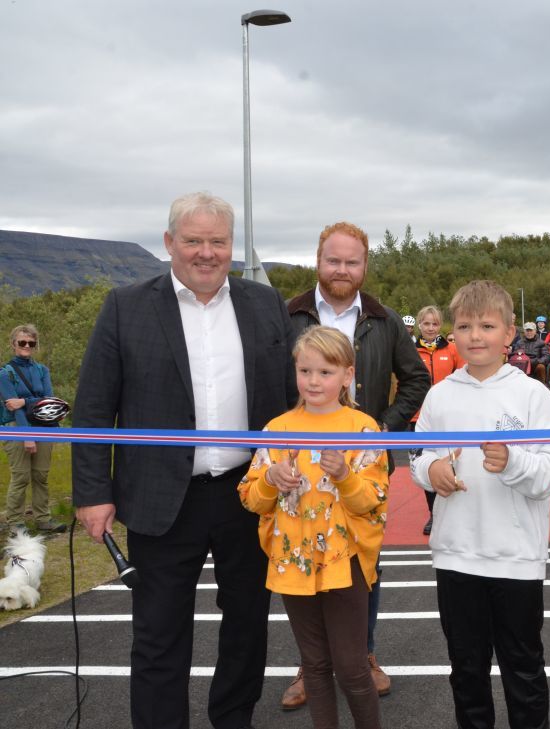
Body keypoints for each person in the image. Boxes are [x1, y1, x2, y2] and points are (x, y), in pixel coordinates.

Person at [72, 192, 297, 729]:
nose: (206, 252)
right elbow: (94, 407)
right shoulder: (126, 306)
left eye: (218, 241)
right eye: (193, 240)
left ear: (232, 246)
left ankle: (233, 718)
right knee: (158, 633)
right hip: (161, 499)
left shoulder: (265, 303)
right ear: (169, 242)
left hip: (249, 494)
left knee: (247, 625)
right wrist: (93, 493)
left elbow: (290, 399)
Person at [283, 221, 431, 705]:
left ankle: (363, 654)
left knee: (364, 561)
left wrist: (384, 426)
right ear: (318, 261)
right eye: (334, 260)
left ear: (365, 265)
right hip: (300, 469)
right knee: (303, 558)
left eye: (352, 262)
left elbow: (417, 379)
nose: (342, 269)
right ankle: (310, 665)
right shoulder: (287, 315)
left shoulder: (384, 320)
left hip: (362, 467)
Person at [410, 279, 550, 729]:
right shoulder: (439, 394)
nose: (475, 336)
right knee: (466, 671)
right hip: (456, 555)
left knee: (524, 670)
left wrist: (514, 462)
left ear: (509, 332)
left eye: (486, 326)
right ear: (452, 333)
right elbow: (419, 455)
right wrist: (431, 471)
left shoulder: (533, 395)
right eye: (464, 326)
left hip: (516, 558)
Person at [239, 326, 388, 729]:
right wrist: (270, 480)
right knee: (315, 664)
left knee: (352, 666)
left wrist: (344, 476)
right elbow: (250, 498)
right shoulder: (276, 429)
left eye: (325, 372)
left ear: (347, 375)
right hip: (292, 560)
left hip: (345, 561)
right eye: (305, 371)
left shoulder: (363, 429)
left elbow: (372, 501)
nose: (313, 381)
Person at [1, 324, 66, 534]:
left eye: (31, 342)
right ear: (13, 344)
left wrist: (24, 401)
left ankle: (43, 519)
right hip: (16, 428)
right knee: (20, 476)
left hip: (43, 426)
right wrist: (26, 436)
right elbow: (14, 409)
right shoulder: (5, 374)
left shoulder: (42, 370)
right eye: (22, 342)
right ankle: (15, 522)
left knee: (41, 475)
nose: (27, 346)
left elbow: (49, 401)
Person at [413, 305, 464, 536]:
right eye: (426, 323)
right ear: (419, 325)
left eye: (435, 323)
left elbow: (463, 377)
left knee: (451, 462)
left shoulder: (452, 349)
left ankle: (455, 511)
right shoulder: (410, 350)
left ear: (440, 325)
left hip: (448, 416)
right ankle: (434, 513)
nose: (431, 328)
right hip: (418, 416)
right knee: (426, 465)